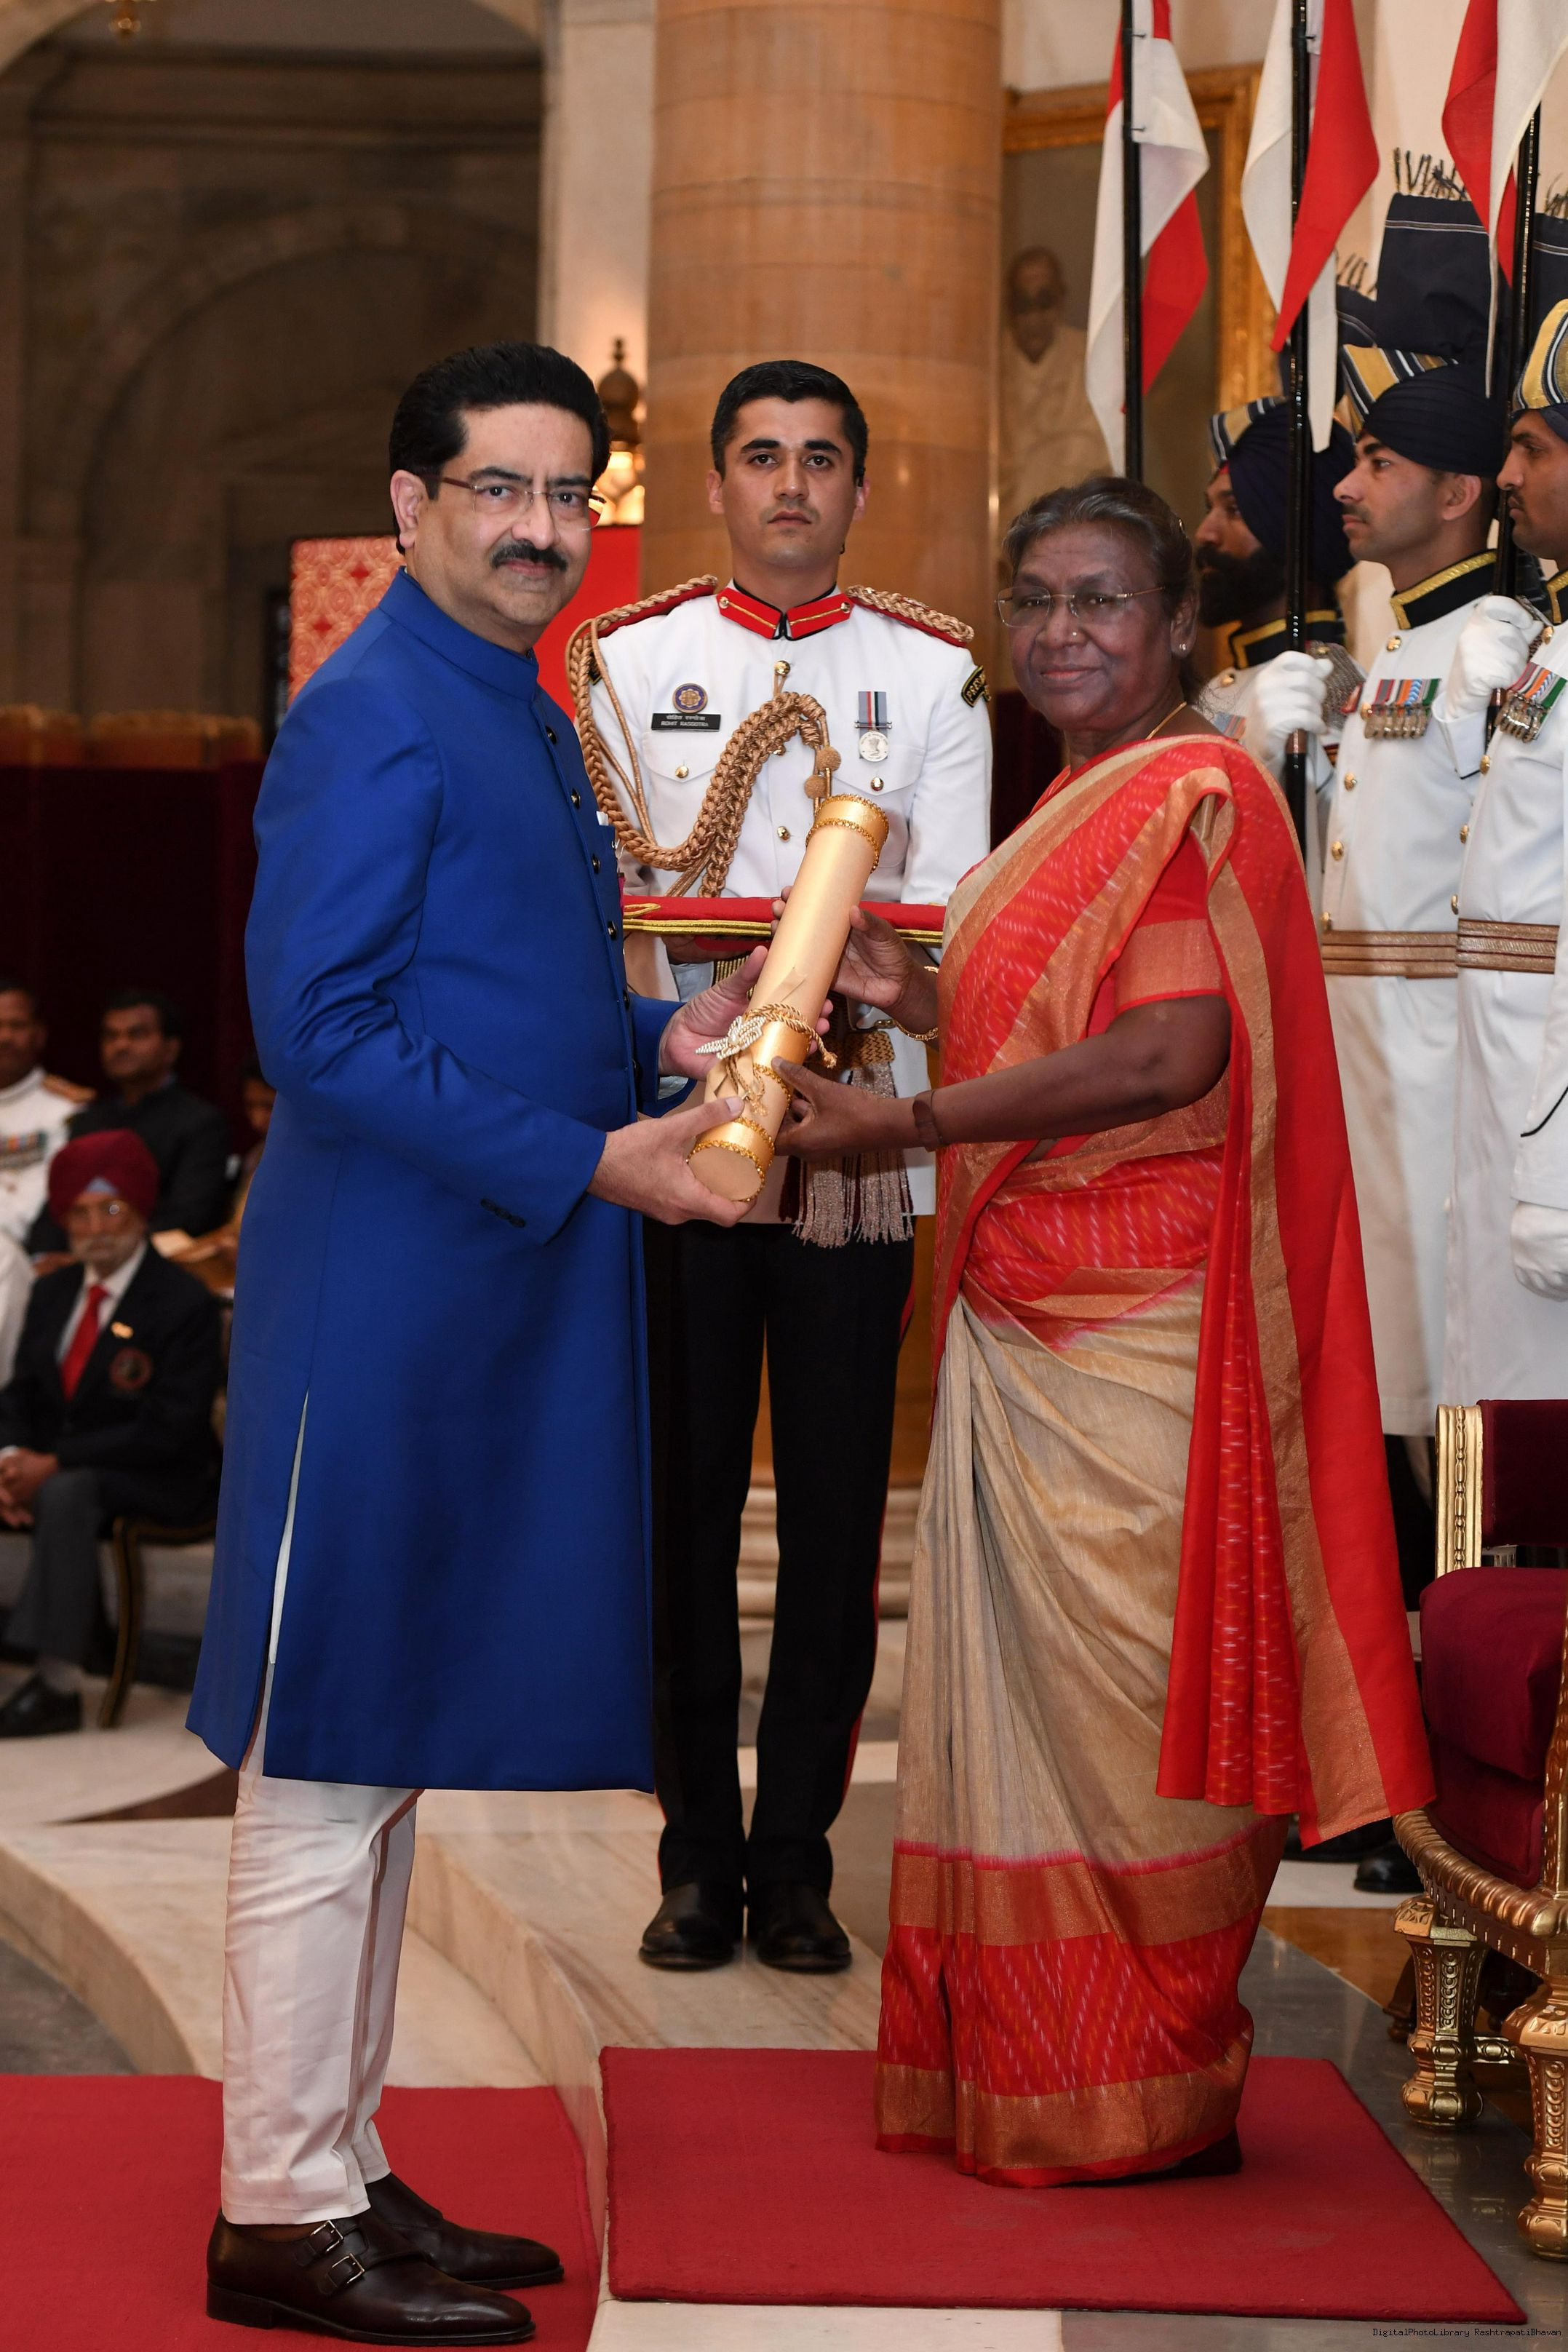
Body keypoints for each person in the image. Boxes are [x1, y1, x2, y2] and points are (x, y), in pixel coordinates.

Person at [186, 341, 760, 2346]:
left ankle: (338, 2161)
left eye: (563, 494)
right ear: (411, 504)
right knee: (325, 1749)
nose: (535, 529)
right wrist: (598, 1158)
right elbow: (318, 1030)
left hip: (476, 1290)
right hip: (378, 1308)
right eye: (494, 490)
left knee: (385, 1746)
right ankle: (275, 2206)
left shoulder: (504, 698)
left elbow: (490, 994)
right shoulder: (371, 711)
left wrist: (659, 1039)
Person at [777, 476, 1430, 2185]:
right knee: (1041, 1726)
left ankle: (1138, 2076)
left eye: (1099, 600)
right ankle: (1033, 2061)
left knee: (1129, 1725)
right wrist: (918, 995)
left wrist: (910, 1122)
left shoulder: (1192, 790)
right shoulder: (1073, 799)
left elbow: (1164, 1056)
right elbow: (1058, 1024)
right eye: (1034, 602)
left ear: (1176, 627)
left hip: (1140, 1335)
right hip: (1030, 1310)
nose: (1059, 631)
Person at [577, 357, 992, 1975]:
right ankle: (694, 1857)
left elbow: (950, 910)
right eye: (762, 457)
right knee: (680, 1507)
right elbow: (611, 898)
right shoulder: (630, 657)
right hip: (684, 1127)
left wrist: (813, 983)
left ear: (861, 488)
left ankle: (801, 1859)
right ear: (716, 484)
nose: (792, 486)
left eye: (822, 459)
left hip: (853, 1126)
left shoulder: (935, 672)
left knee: (832, 1514)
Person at [1441, 299, 1568, 1400]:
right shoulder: (1553, 646)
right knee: (1489, 1393)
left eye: (1532, 448)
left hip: (1547, 1116)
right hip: (1500, 1089)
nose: (1507, 475)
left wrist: (1556, 1172)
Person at [0, 1132, 220, 1739]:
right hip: (65, 1467)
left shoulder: (183, 1301)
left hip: (162, 1476)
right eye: (80, 1212)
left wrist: (52, 1463)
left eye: (111, 1208)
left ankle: (57, 1685)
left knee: (66, 1491)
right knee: (57, 1487)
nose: (96, 1227)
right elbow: (20, 1394)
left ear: (141, 1208)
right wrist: (11, 1459)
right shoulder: (52, 1292)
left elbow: (170, 1427)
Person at [1193, 401, 1362, 883]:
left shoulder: (1330, 690)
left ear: (1292, 533)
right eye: (1209, 508)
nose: (1205, 533)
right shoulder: (1218, 688)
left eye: (1234, 510)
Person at [36, 991, 231, 1248]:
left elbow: (191, 1215)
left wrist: (108, 1249)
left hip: (156, 1259)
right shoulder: (89, 1120)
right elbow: (59, 1203)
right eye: (111, 1036)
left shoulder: (200, 1123)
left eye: (136, 1035)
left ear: (171, 1049)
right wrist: (42, 1254)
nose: (121, 1045)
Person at [998, 247, 1111, 531]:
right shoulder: (989, 369)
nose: (1034, 318)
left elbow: (1095, 459)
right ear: (1010, 309)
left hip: (1071, 528)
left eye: (1044, 302)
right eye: (1024, 305)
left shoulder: (1090, 362)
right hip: (1002, 533)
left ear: (1060, 301)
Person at [0, 977, 90, 1250]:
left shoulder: (66, 1111)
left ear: (39, 1035)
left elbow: (43, 1207)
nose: (5, 1037)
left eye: (17, 1026)